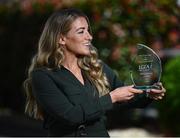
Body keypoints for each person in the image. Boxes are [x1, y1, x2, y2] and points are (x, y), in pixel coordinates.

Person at [23, 8, 166, 137]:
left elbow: (126, 98)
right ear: (61, 39)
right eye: (81, 31)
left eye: (88, 30)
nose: (89, 36)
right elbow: (71, 116)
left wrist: (147, 93)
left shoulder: (96, 67)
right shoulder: (42, 76)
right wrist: (112, 97)